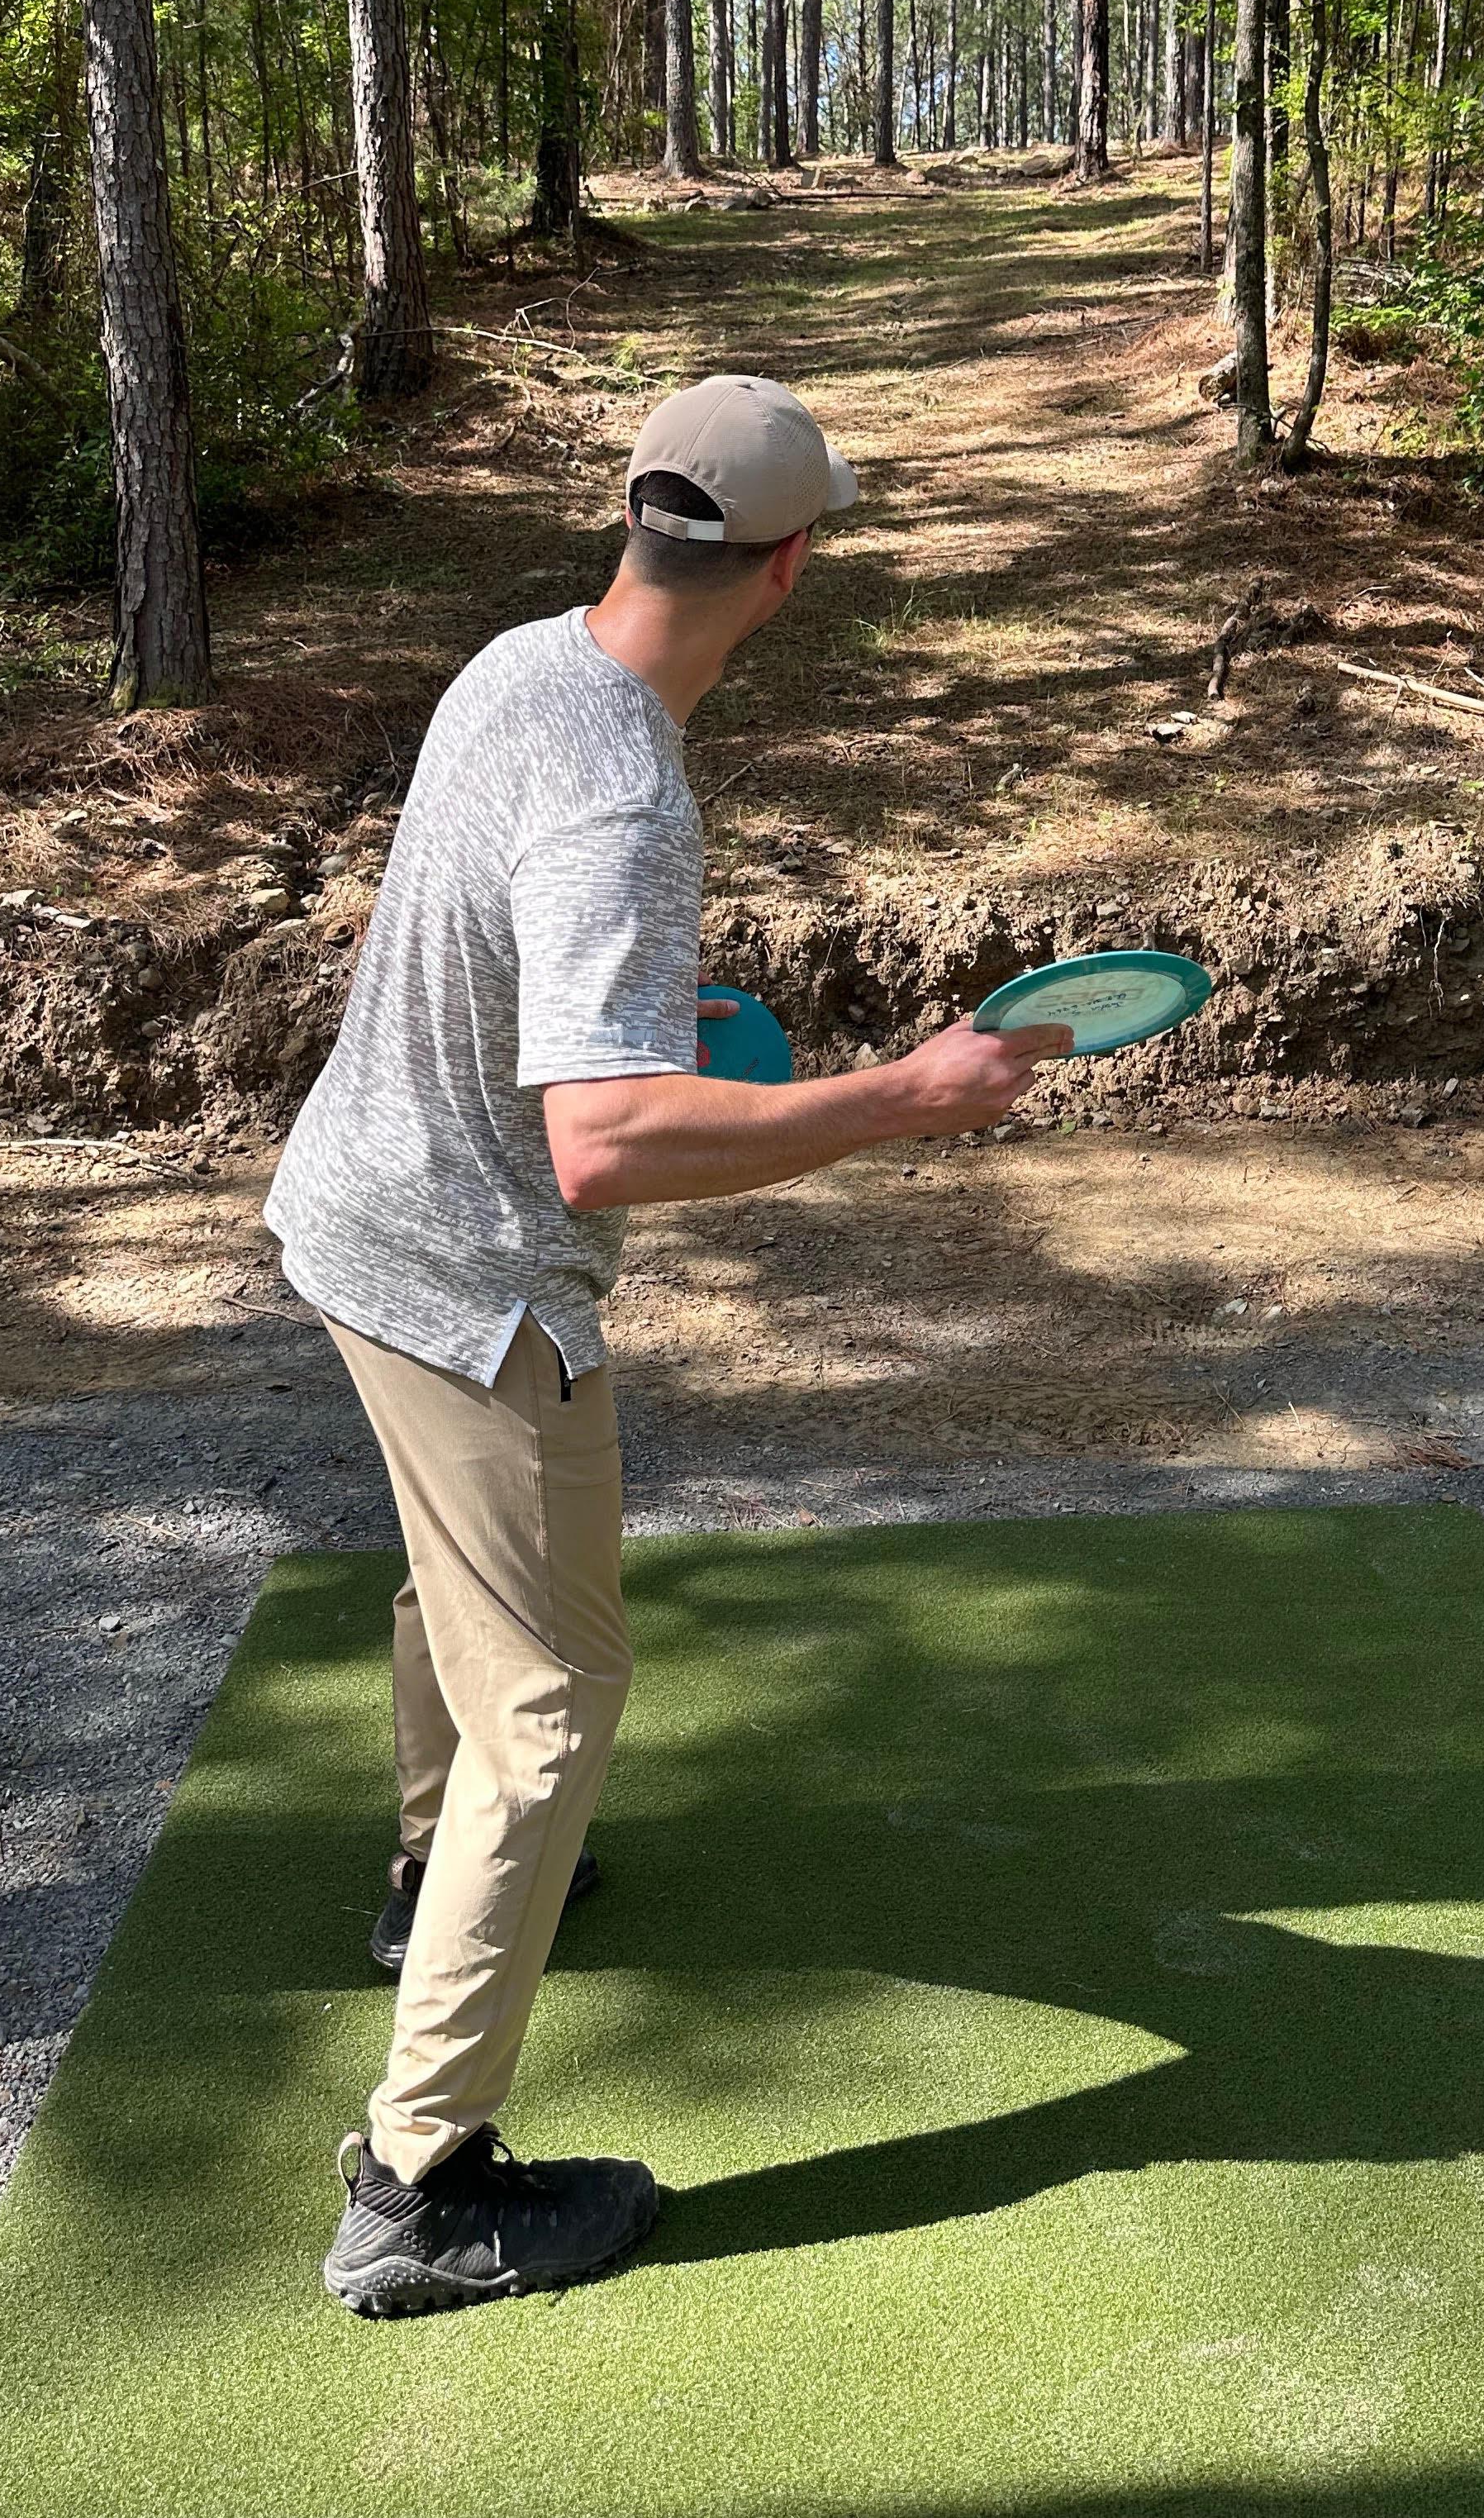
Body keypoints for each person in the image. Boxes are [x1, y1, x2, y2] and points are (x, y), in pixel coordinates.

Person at [264, 374, 1068, 2319]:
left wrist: (643, 1008)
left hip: (355, 1218)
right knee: (551, 1707)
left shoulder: (521, 660)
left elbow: (494, 948)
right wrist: (909, 1092)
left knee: (463, 1595)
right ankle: (417, 2187)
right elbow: (601, 1139)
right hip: (467, 1269)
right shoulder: (625, 779)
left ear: (642, 527)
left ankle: (414, 1889)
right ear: (788, 569)